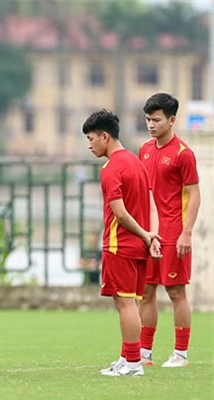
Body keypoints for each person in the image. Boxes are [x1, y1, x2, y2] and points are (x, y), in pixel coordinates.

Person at [82, 109, 161, 377]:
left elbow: (120, 213)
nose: (90, 145)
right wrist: (149, 235)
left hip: (120, 245)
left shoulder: (111, 168)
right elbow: (149, 203)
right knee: (129, 302)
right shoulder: (137, 162)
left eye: (92, 139)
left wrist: (144, 234)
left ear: (105, 136)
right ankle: (128, 357)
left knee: (125, 303)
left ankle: (133, 364)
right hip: (137, 245)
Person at [138, 93, 201, 368]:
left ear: (172, 120)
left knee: (176, 292)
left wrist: (186, 232)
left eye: (156, 119)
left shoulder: (183, 154)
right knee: (147, 291)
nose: (151, 124)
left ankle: (181, 354)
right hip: (149, 233)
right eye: (148, 119)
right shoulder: (145, 150)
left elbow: (195, 195)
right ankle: (144, 352)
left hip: (174, 232)